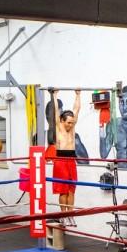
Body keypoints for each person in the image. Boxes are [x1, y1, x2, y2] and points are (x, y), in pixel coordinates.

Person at [51, 89, 81, 226]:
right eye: (68, 122)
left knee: (71, 189)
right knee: (62, 190)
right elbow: (55, 112)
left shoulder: (72, 127)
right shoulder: (59, 128)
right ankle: (63, 215)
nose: (70, 124)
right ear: (62, 121)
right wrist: (54, 95)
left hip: (71, 161)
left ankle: (70, 215)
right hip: (60, 161)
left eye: (72, 122)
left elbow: (77, 109)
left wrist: (78, 95)